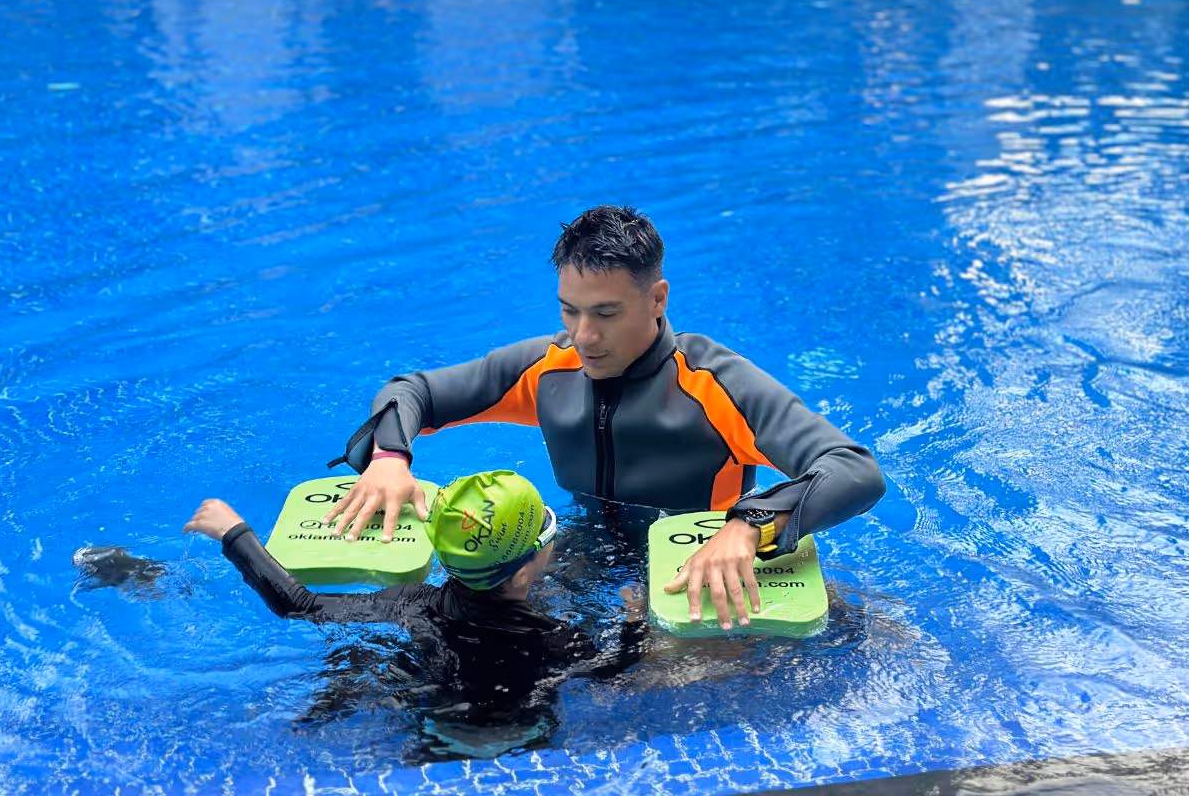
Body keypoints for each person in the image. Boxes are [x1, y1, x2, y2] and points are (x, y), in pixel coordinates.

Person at [325, 205, 887, 632]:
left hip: (695, 570)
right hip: (583, 561)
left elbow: (855, 470)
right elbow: (412, 391)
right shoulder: (549, 369)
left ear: (657, 299)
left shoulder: (713, 383)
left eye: (606, 313)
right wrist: (389, 458)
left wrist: (748, 526)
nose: (585, 336)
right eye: (570, 310)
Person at [180, 470, 646, 755]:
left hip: (431, 731)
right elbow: (613, 671)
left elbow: (298, 605)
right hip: (528, 738)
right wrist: (633, 624)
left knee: (362, 664)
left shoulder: (409, 601)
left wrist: (234, 532)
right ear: (523, 575)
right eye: (545, 535)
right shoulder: (558, 637)